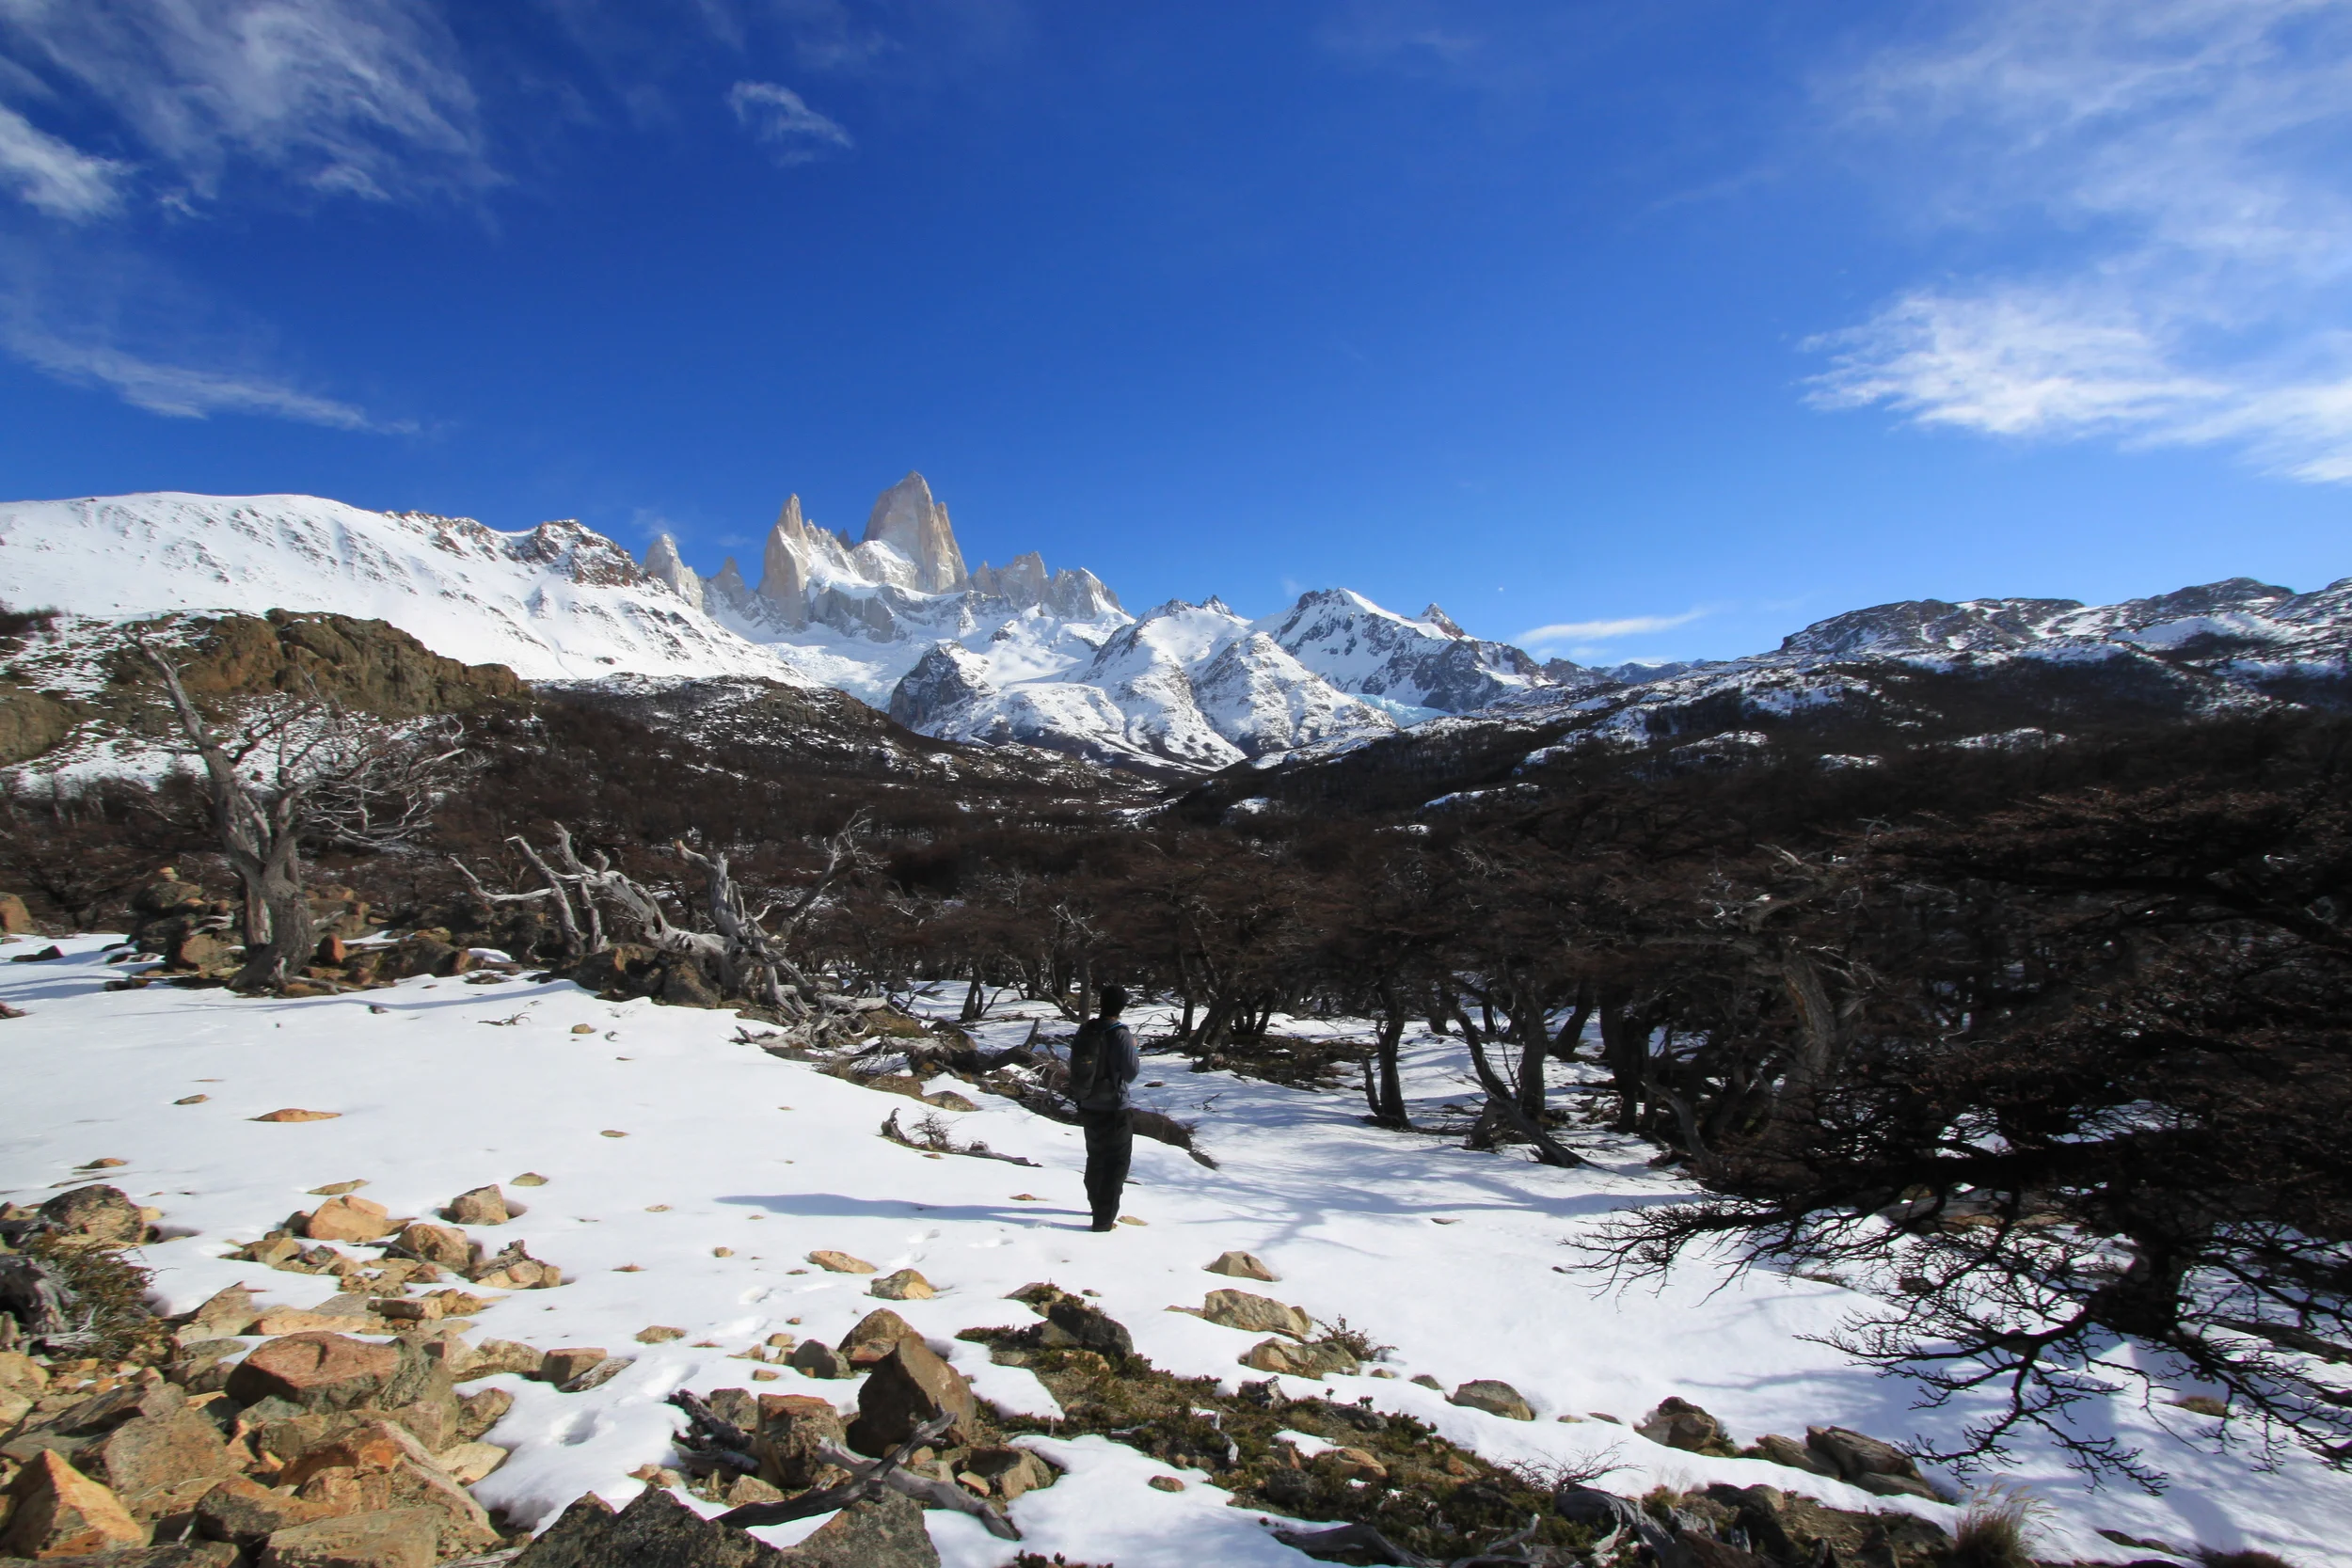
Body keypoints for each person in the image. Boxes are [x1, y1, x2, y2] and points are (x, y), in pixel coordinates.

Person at [1068, 984, 1140, 1231]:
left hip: (1088, 1103)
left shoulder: (1086, 1029)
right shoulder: (1120, 1034)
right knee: (1116, 1163)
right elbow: (1131, 1074)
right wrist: (1133, 1047)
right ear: (1122, 1006)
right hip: (1115, 1107)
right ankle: (1103, 1220)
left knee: (1096, 1157)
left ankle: (1095, 1204)